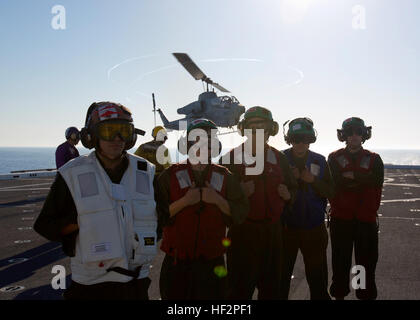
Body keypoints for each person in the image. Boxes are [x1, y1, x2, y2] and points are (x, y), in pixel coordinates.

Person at [34, 101, 156, 300]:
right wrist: (83, 224)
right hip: (91, 285)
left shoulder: (146, 171)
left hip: (136, 283)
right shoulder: (72, 173)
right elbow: (45, 225)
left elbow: (159, 219)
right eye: (109, 131)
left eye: (123, 131)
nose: (117, 139)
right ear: (92, 136)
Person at [155, 118, 249, 300]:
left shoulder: (225, 176)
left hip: (213, 264)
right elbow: (157, 216)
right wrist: (185, 201)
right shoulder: (169, 176)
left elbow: (240, 213)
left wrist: (217, 200)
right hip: (177, 265)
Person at [220, 106, 298, 300]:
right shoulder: (230, 159)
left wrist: (288, 195)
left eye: (262, 127)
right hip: (242, 235)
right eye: (252, 127)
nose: (257, 132)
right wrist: (240, 194)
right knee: (238, 292)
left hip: (273, 235)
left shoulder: (279, 158)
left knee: (272, 291)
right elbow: (219, 200)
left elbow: (293, 188)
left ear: (270, 130)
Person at [328, 117, 384, 300]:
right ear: (343, 135)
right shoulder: (334, 157)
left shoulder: (374, 159)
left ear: (364, 134)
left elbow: (376, 180)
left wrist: (353, 175)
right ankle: (340, 295)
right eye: (350, 132)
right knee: (340, 263)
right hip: (341, 221)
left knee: (364, 266)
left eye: (358, 131)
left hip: (365, 222)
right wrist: (362, 178)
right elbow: (335, 182)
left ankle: (363, 295)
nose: (354, 135)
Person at [279, 117, 333, 300]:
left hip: (314, 228)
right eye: (296, 139)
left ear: (311, 139)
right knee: (280, 279)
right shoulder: (280, 159)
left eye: (304, 139)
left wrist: (313, 181)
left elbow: (331, 191)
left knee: (318, 279)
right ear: (289, 140)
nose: (301, 143)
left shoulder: (319, 160)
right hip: (286, 228)